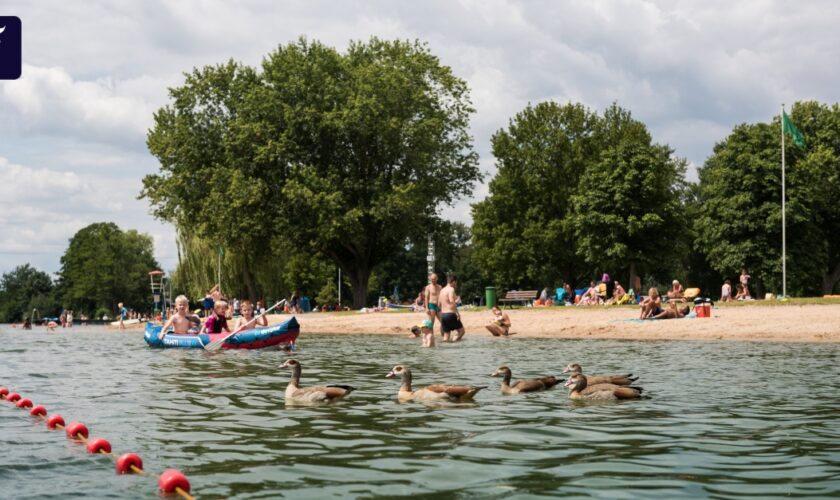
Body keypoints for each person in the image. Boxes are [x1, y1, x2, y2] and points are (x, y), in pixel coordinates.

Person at [439, 274, 465, 342]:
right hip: (450, 314)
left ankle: (445, 348)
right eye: (456, 283)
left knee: (446, 335)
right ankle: (453, 342)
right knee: (461, 332)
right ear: (453, 281)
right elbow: (452, 301)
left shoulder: (442, 290)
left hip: (443, 315)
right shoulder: (451, 289)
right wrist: (457, 313)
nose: (456, 285)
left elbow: (439, 304)